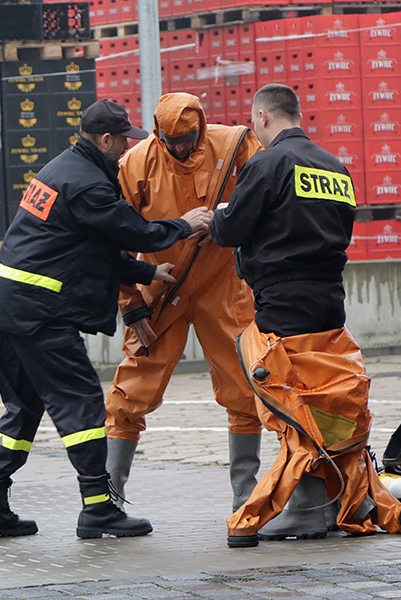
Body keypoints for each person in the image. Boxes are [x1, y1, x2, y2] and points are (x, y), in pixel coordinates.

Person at [0, 99, 213, 540]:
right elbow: (133, 231)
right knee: (82, 404)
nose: (126, 149)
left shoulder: (60, 170)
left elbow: (87, 247)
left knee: (24, 408)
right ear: (105, 139)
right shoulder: (87, 184)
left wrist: (145, 272)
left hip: (8, 308)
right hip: (40, 315)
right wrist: (184, 224)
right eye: (123, 140)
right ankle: (99, 507)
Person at [210, 84, 401, 547]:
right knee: (324, 399)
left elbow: (231, 229)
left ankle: (305, 507)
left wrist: (212, 216)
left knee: (290, 401)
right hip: (330, 302)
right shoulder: (335, 167)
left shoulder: (266, 164)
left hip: (282, 302)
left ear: (264, 117)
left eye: (255, 122)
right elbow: (342, 228)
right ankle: (334, 499)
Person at [104, 92, 265, 515]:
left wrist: (228, 226)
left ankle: (245, 501)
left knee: (244, 389)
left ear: (202, 127)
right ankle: (105, 500)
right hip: (161, 286)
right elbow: (113, 237)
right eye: (170, 140)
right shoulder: (135, 164)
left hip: (223, 287)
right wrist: (131, 305)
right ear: (157, 133)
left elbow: (265, 198)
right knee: (129, 393)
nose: (179, 147)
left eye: (187, 139)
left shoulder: (235, 145)